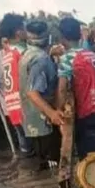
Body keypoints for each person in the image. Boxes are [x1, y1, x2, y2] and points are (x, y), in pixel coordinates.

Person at [56, 17, 95, 160]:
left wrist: (58, 110)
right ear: (80, 35)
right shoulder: (92, 54)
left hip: (86, 112)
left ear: (62, 38)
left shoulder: (67, 58)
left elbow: (62, 87)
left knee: (87, 160)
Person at [19, 21, 62, 170]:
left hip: (31, 119)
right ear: (48, 37)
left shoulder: (26, 54)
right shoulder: (41, 59)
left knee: (42, 164)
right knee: (53, 166)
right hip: (44, 122)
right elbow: (33, 92)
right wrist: (52, 114)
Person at [0, 14, 31, 152]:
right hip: (26, 109)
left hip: (13, 108)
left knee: (25, 149)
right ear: (18, 32)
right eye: (24, 28)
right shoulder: (23, 52)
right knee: (39, 151)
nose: (26, 31)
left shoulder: (6, 55)